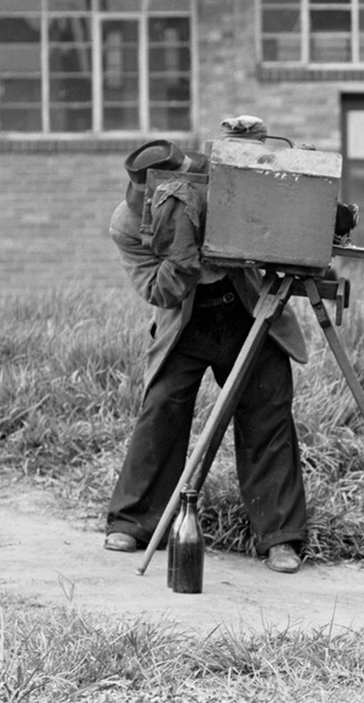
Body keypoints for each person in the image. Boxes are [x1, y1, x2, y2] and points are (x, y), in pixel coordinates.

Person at [103, 115, 313, 574]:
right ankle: (134, 521)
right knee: (161, 410)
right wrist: (182, 253)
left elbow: (266, 185)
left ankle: (280, 537)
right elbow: (158, 291)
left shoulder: (215, 185)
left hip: (245, 312)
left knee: (266, 415)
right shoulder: (126, 225)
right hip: (185, 322)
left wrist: (249, 138)